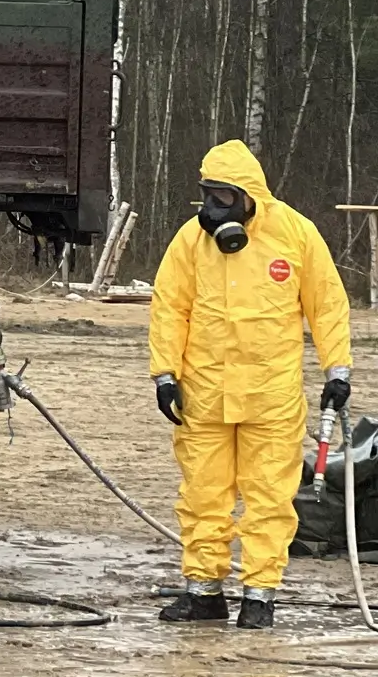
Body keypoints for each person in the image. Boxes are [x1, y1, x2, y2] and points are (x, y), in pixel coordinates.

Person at [150, 141, 352, 630]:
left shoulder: (295, 235)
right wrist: (164, 373)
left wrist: (337, 371)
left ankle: (259, 598)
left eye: (223, 196)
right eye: (207, 195)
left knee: (268, 498)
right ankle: (204, 595)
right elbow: (169, 306)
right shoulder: (190, 242)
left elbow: (326, 304)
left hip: (271, 397)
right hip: (203, 395)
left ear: (248, 195)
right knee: (203, 496)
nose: (214, 208)